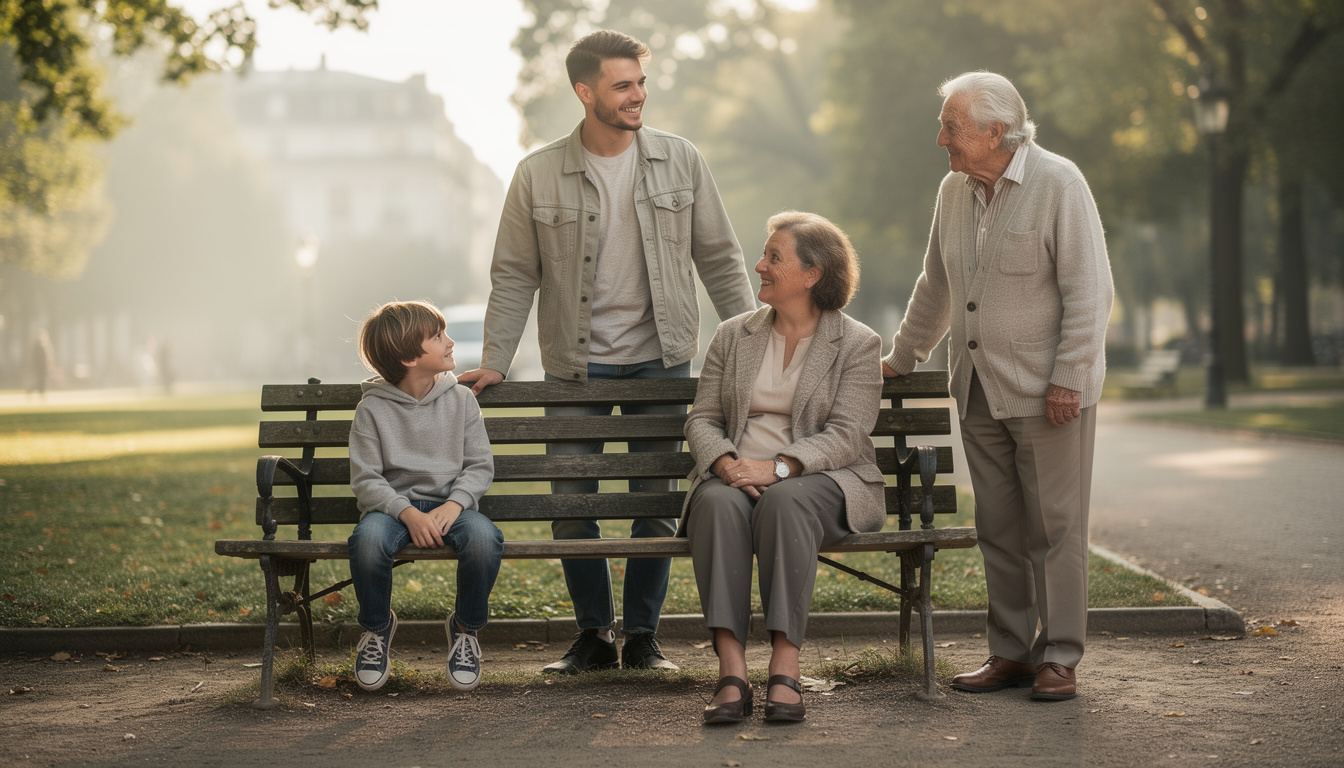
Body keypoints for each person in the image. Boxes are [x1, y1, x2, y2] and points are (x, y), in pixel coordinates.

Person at [456, 30, 756, 675]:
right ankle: (593, 635)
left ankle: (643, 637)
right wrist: (497, 358)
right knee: (573, 508)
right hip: (574, 363)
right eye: (622, 86)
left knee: (654, 506)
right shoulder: (537, 173)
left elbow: (722, 262)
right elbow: (513, 275)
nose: (637, 96)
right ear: (584, 91)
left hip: (665, 357)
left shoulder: (681, 160)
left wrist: (755, 346)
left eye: (641, 83)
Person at [882, 72, 1114, 701]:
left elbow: (1089, 292)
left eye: (951, 128)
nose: (940, 140)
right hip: (978, 387)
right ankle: (1011, 651)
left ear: (995, 132)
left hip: (1049, 393)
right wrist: (902, 357)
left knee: (1056, 527)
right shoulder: (954, 191)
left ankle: (1060, 655)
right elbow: (936, 284)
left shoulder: (1058, 183)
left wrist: (1069, 377)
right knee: (1001, 525)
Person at [681, 211, 884, 723]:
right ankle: (731, 672)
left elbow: (846, 434)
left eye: (775, 257)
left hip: (821, 480)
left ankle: (784, 667)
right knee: (717, 504)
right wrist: (727, 465)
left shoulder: (857, 344)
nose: (760, 265)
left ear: (813, 274)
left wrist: (779, 468)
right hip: (736, 475)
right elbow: (702, 419)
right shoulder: (734, 335)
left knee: (787, 501)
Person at [347, 300, 504, 693]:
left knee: (484, 540)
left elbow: (479, 466)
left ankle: (465, 629)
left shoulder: (462, 400)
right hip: (392, 512)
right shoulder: (371, 410)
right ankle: (376, 630)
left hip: (453, 507)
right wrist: (407, 514)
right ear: (408, 357)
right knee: (367, 543)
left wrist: (455, 504)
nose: (450, 342)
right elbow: (367, 480)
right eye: (437, 336)